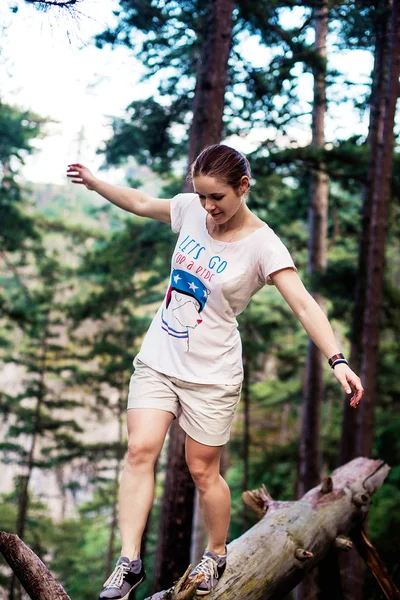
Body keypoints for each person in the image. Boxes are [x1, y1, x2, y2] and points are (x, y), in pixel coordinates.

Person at [67, 145, 364, 599]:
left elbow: (304, 304)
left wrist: (337, 359)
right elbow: (142, 203)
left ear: (242, 188)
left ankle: (216, 552)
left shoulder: (264, 244)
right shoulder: (190, 210)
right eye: (201, 196)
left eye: (217, 198)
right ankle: (128, 564)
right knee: (140, 450)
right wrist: (96, 182)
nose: (208, 208)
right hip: (160, 357)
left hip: (212, 375)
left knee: (203, 472)